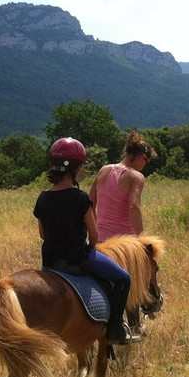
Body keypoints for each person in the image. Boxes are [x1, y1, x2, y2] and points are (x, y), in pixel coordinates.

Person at [33, 137, 135, 345]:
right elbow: (94, 235)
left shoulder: (42, 197)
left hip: (50, 261)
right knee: (123, 278)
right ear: (76, 169)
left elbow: (43, 234)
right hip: (77, 258)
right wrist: (90, 248)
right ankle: (115, 328)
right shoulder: (80, 198)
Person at [90, 130, 156, 239]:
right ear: (142, 157)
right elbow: (133, 207)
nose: (145, 166)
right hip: (124, 242)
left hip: (101, 240)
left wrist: (96, 231)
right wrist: (142, 238)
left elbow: (90, 203)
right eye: (147, 162)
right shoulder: (136, 177)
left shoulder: (103, 170)